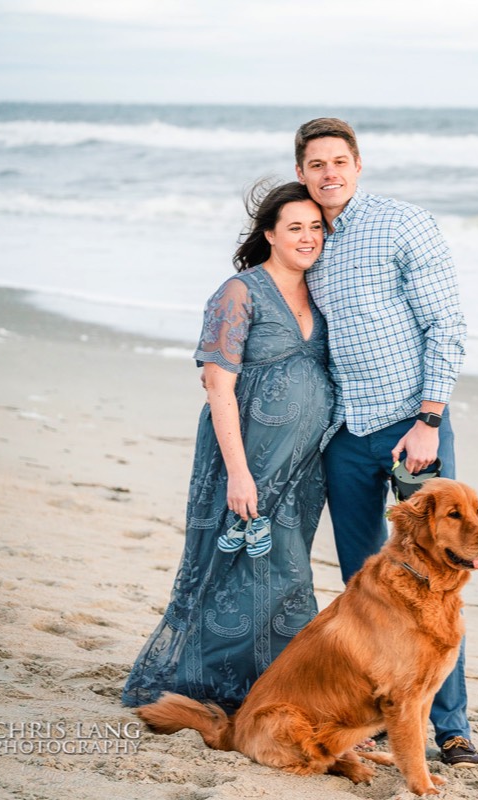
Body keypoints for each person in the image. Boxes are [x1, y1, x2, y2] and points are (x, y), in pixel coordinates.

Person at [293, 118, 478, 766]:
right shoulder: (306, 235)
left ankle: (451, 727)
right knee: (364, 585)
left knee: (438, 583)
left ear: (358, 165)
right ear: (302, 173)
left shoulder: (401, 224)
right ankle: (378, 716)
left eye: (338, 161)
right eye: (316, 164)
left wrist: (429, 418)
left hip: (412, 429)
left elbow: (446, 324)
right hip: (345, 433)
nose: (329, 174)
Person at [122, 182, 335, 712]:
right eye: (295, 227)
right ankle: (207, 687)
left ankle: (271, 689)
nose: (308, 237)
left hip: (301, 469)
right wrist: (239, 475)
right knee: (230, 570)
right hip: (244, 462)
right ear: (269, 234)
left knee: (283, 576)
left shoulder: (324, 291)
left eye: (316, 227)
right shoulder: (239, 292)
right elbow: (219, 386)